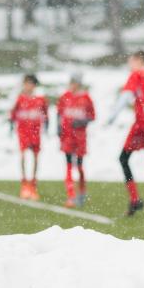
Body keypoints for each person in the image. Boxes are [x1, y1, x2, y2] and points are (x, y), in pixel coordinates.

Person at [107, 50, 144, 217]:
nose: (130, 65)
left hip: (143, 125)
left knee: (124, 158)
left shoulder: (137, 74)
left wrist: (112, 116)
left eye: (131, 61)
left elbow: (126, 95)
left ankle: (135, 199)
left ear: (138, 60)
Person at [57, 72, 95, 208]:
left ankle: (82, 192)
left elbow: (92, 116)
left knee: (79, 166)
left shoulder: (86, 98)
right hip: (67, 137)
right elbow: (59, 114)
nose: (72, 85)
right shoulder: (65, 97)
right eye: (71, 82)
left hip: (80, 138)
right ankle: (71, 196)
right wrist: (58, 130)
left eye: (74, 82)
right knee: (68, 165)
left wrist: (81, 122)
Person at [10, 74, 48, 200]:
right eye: (26, 83)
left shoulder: (40, 100)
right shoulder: (20, 99)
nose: (28, 86)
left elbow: (46, 115)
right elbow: (13, 114)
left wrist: (46, 127)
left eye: (31, 84)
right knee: (23, 156)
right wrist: (11, 126)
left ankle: (33, 185)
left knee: (35, 158)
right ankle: (24, 184)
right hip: (23, 132)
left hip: (35, 133)